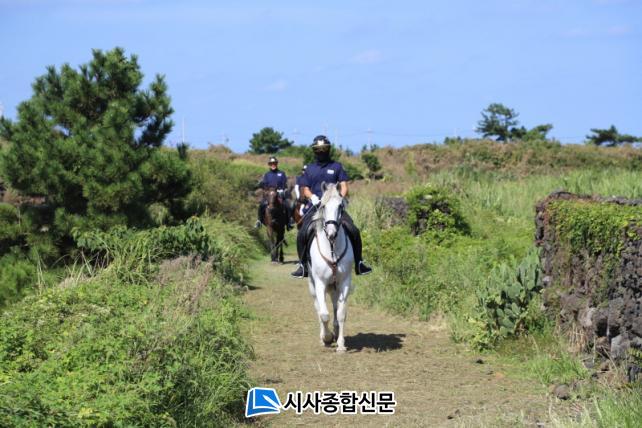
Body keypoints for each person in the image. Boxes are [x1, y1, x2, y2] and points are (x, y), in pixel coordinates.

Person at [291, 135, 372, 278]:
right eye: (318, 149)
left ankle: (359, 263)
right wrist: (313, 197)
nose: (321, 152)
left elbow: (344, 186)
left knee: (353, 229)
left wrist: (339, 198)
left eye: (324, 149)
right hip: (316, 206)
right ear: (315, 151)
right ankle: (302, 265)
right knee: (303, 232)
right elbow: (305, 188)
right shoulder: (310, 168)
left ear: (328, 150)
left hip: (334, 207)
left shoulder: (337, 166)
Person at [255, 156, 294, 229]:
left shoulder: (282, 173)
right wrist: (267, 191)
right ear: (269, 164)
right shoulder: (267, 175)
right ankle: (259, 221)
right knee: (262, 204)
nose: (273, 165)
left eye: (274, 163)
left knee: (288, 205)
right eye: (271, 163)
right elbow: (265, 185)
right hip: (269, 194)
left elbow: (284, 184)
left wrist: (282, 190)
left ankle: (289, 221)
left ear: (276, 164)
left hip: (279, 194)